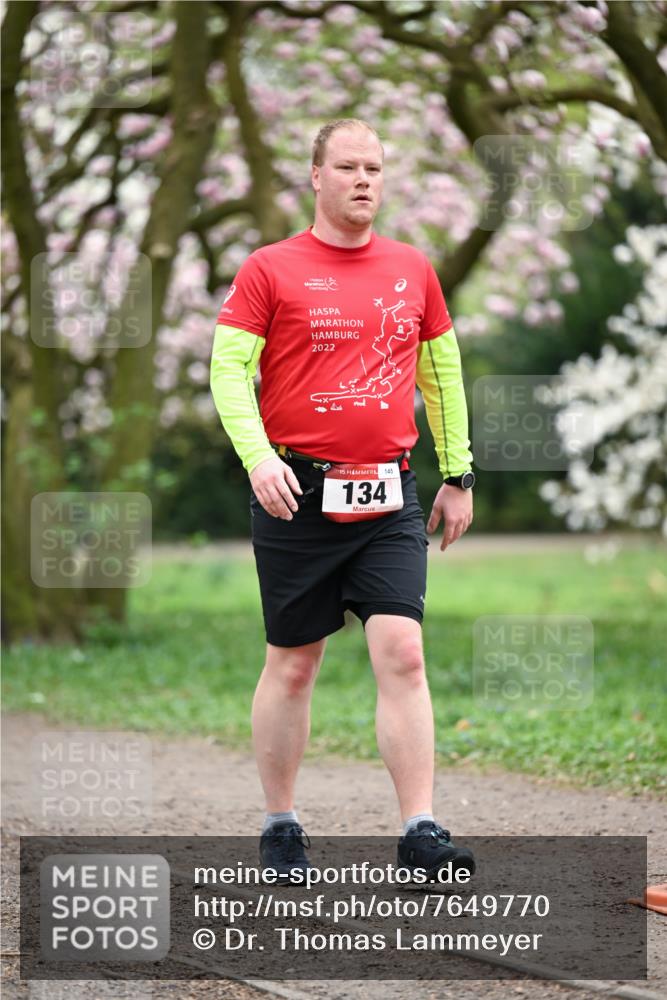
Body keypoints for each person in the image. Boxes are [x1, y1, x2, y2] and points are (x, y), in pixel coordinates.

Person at [210, 119, 475, 881]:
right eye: (348, 167)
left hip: (388, 494)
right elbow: (228, 370)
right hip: (295, 494)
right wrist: (258, 458)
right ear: (316, 176)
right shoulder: (269, 268)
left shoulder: (412, 269)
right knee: (295, 665)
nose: (363, 180)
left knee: (404, 653)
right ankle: (281, 825)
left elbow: (441, 375)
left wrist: (458, 474)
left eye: (374, 168)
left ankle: (420, 833)